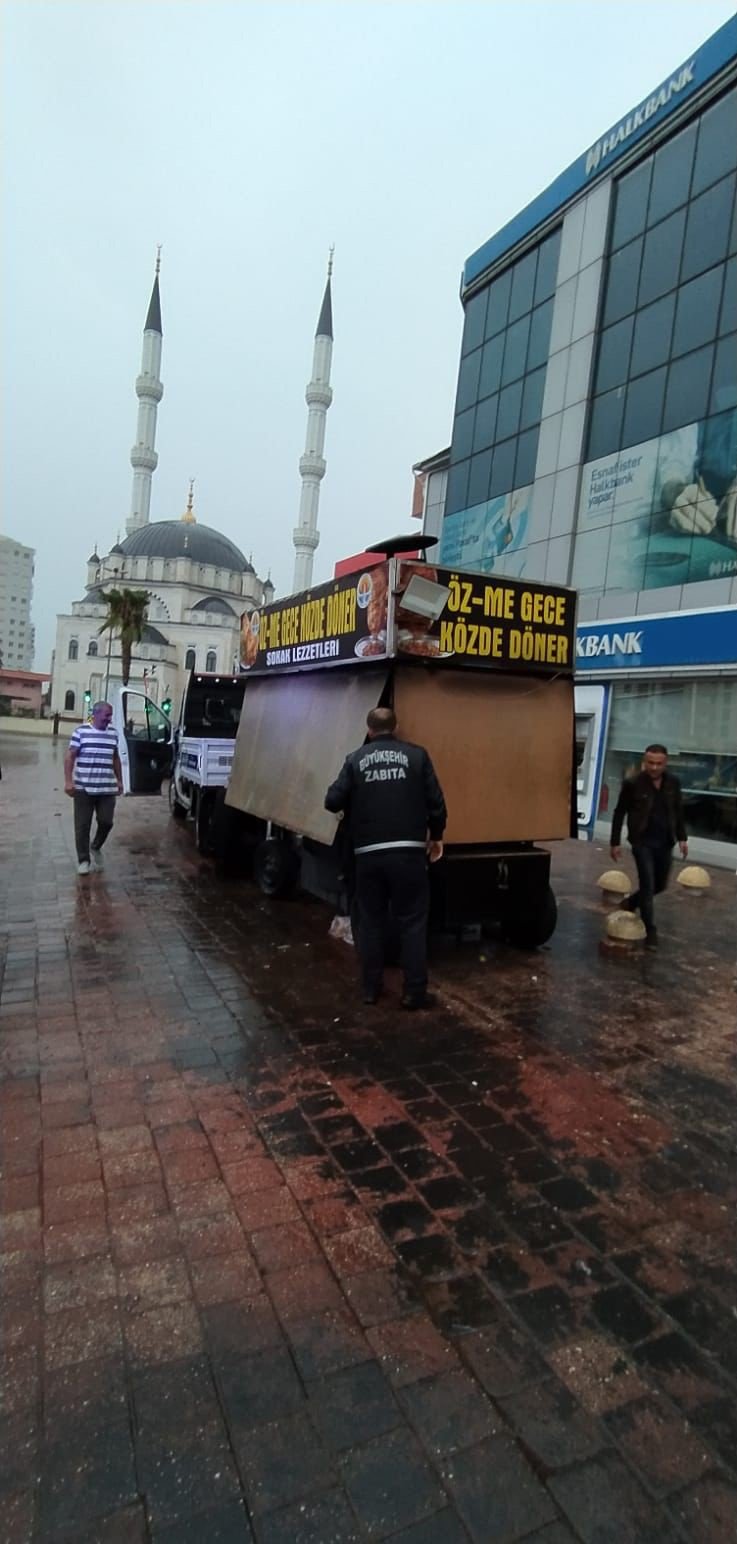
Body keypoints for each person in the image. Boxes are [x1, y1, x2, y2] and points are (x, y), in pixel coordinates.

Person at [325, 705, 447, 1009]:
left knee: (371, 923)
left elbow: (332, 800)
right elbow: (436, 802)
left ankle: (371, 989)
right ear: (396, 726)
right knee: (413, 924)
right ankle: (414, 993)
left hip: (367, 857)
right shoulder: (418, 756)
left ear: (369, 729)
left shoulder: (355, 760)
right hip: (409, 854)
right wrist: (437, 835)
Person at [610, 743, 688, 949]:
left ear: (665, 763)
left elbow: (678, 811)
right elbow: (619, 812)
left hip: (664, 841)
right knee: (647, 884)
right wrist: (614, 842)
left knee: (660, 885)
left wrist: (682, 837)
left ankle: (630, 903)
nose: (654, 768)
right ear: (645, 762)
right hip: (641, 841)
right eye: (650, 763)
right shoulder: (633, 783)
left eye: (658, 764)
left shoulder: (673, 783)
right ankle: (650, 930)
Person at [64, 700, 123, 875]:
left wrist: (120, 781)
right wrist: (68, 781)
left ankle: (95, 845)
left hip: (106, 789)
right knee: (82, 826)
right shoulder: (80, 732)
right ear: (96, 714)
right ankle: (83, 860)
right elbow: (70, 757)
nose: (109, 719)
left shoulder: (113, 734)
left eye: (110, 716)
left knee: (106, 822)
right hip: (83, 789)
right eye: (107, 715)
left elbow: (115, 759)